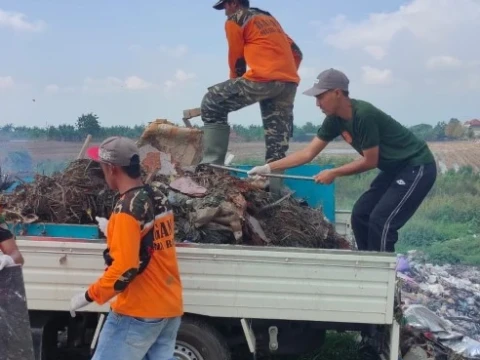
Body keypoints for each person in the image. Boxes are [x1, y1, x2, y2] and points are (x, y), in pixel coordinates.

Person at [248, 68, 437, 253]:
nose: (317, 104)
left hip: (416, 166)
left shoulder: (363, 114)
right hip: (393, 169)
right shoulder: (334, 120)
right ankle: (366, 264)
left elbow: (370, 161)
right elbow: (307, 153)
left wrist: (334, 172)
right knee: (360, 214)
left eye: (320, 97)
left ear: (337, 93)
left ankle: (380, 276)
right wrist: (267, 167)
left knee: (381, 220)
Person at [69, 136, 183, 360]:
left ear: (112, 169)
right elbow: (151, 242)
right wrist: (113, 229)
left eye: (102, 167)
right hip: (169, 308)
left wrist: (88, 295)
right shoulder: (157, 196)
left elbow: (125, 269)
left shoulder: (126, 210)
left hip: (138, 312)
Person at [201, 0, 303, 193]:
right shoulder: (268, 18)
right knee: (277, 139)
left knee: (212, 101)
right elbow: (297, 52)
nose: (224, 12)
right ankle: (275, 190)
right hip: (289, 82)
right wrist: (283, 75)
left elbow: (237, 58)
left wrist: (234, 83)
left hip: (263, 79)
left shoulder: (236, 19)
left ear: (233, 4)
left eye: (225, 7)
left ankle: (211, 174)